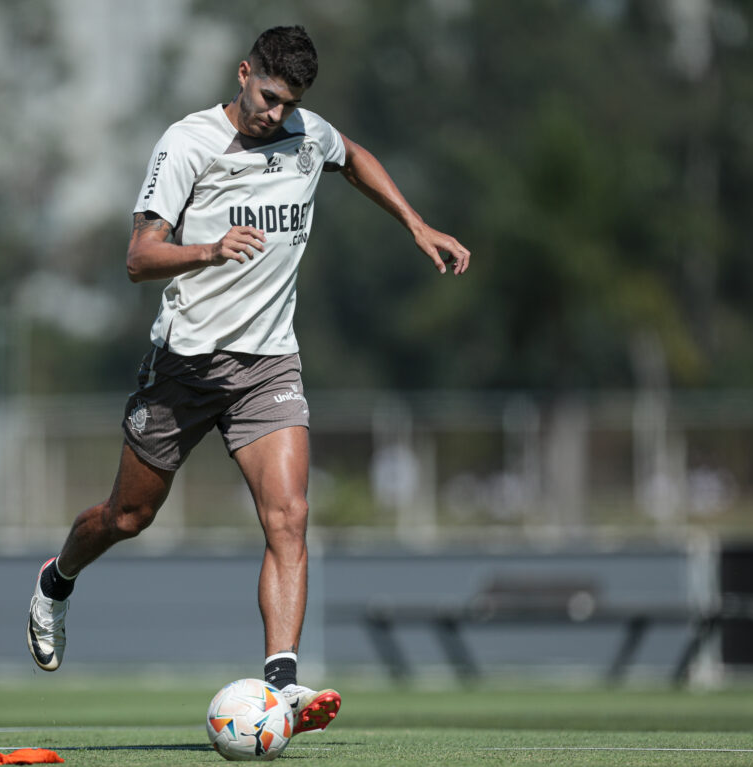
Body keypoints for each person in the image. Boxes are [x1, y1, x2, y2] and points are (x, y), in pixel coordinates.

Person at [27, 25, 470, 734]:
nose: (275, 113)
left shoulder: (307, 133)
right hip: (185, 365)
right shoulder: (189, 143)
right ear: (243, 73)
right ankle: (57, 580)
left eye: (288, 102)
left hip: (268, 364)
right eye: (267, 96)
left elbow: (353, 156)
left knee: (288, 515)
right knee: (128, 516)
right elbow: (139, 258)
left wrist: (415, 224)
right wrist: (209, 249)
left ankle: (280, 686)